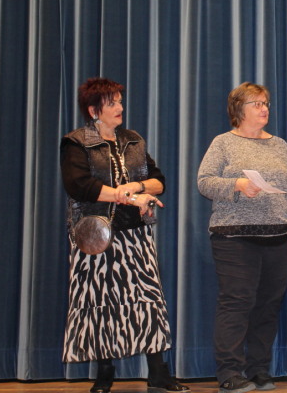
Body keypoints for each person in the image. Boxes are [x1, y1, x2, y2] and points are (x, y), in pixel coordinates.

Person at [60, 78, 189, 393]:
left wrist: (139, 188)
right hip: (96, 236)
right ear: (94, 110)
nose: (120, 107)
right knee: (100, 303)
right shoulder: (76, 142)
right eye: (112, 103)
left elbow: (158, 181)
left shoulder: (133, 140)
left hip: (135, 235)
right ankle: (105, 375)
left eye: (120, 101)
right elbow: (79, 185)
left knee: (147, 301)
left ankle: (158, 373)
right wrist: (126, 196)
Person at [198, 82, 287, 393]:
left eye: (265, 103)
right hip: (234, 237)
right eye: (256, 104)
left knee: (268, 305)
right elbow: (205, 182)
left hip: (280, 235)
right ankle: (230, 371)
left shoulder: (279, 144)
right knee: (237, 302)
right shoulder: (223, 143)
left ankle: (259, 369)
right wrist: (236, 184)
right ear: (239, 110)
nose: (264, 109)